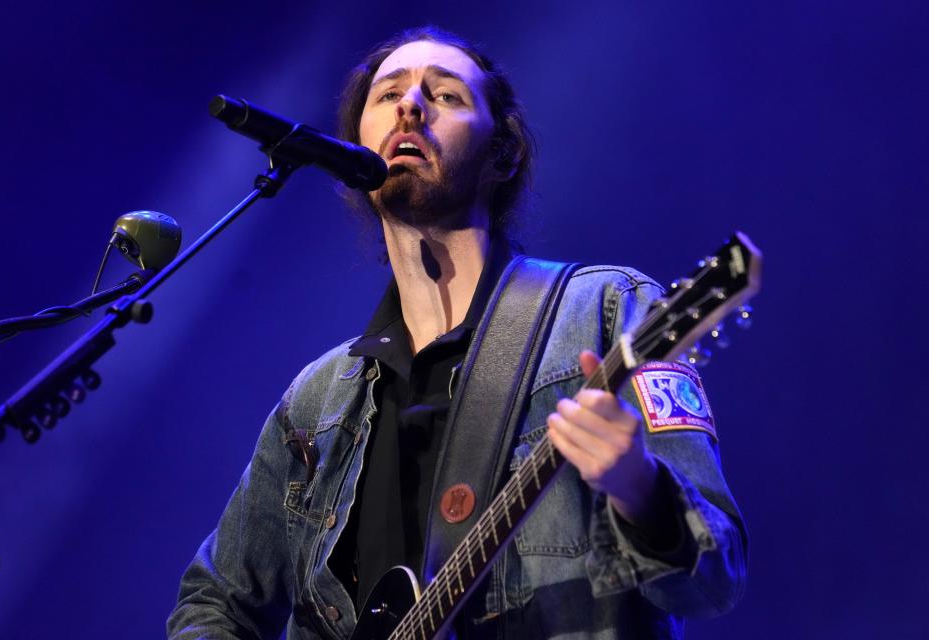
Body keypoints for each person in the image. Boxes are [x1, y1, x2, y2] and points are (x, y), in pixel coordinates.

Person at [168, 26, 747, 640]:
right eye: (387, 95)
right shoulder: (317, 402)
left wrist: (639, 487)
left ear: (503, 154)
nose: (410, 105)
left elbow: (716, 577)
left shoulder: (609, 309)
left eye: (445, 96)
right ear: (355, 145)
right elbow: (212, 604)